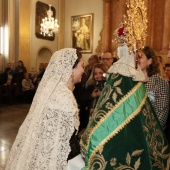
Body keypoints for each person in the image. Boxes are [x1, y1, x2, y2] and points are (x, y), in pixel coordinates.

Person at [80, 23, 170, 169]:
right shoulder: (126, 75)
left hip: (142, 134)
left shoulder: (140, 78)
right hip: (125, 134)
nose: (138, 58)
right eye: (137, 54)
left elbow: (155, 114)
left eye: (140, 55)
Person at [5, 48, 84, 170]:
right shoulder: (63, 98)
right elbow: (63, 141)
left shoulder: (56, 92)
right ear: (71, 70)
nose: (83, 70)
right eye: (81, 66)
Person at [137, 46, 170, 130]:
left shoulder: (160, 82)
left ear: (149, 61)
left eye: (140, 57)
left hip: (152, 130)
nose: (137, 60)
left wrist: (149, 129)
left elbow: (162, 112)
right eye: (135, 57)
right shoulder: (131, 81)